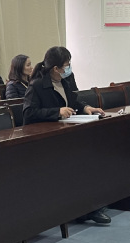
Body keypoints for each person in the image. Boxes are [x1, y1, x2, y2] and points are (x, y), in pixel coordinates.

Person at [22, 46, 109, 225]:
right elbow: (29, 113)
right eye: (66, 65)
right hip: (45, 140)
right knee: (79, 161)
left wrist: (86, 108)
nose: (68, 69)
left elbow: (74, 101)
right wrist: (57, 112)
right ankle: (87, 208)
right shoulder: (37, 85)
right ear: (55, 68)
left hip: (65, 134)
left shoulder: (65, 82)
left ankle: (88, 206)